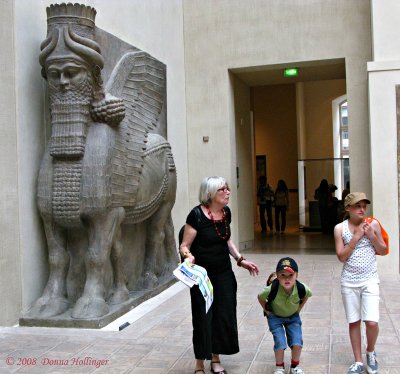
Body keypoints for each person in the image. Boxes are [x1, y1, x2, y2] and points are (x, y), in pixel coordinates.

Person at [180, 176, 260, 374]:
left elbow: (227, 240)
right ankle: (200, 365)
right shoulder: (196, 215)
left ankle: (216, 359)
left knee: (223, 316)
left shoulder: (226, 213)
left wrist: (241, 260)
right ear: (210, 194)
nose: (227, 192)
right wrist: (188, 257)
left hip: (224, 273)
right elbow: (184, 245)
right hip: (202, 278)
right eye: (222, 190)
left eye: (228, 188)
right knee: (202, 318)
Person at [333, 192, 387, 374]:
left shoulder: (373, 224)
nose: (362, 209)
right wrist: (355, 238)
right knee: (354, 322)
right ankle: (358, 361)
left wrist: (371, 235)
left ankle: (370, 352)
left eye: (364, 205)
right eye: (357, 206)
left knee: (371, 322)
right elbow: (341, 256)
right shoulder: (339, 229)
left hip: (370, 279)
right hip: (349, 282)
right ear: (348, 208)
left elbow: (383, 249)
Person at [258, 257, 312, 374]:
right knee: (280, 342)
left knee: (297, 342)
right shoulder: (272, 288)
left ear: (296, 275)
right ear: (277, 276)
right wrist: (267, 311)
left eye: (290, 275)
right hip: (276, 318)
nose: (287, 279)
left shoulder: (301, 288)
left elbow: (307, 294)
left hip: (293, 317)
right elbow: (260, 296)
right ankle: (279, 367)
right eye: (283, 275)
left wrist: (298, 310)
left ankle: (295, 366)